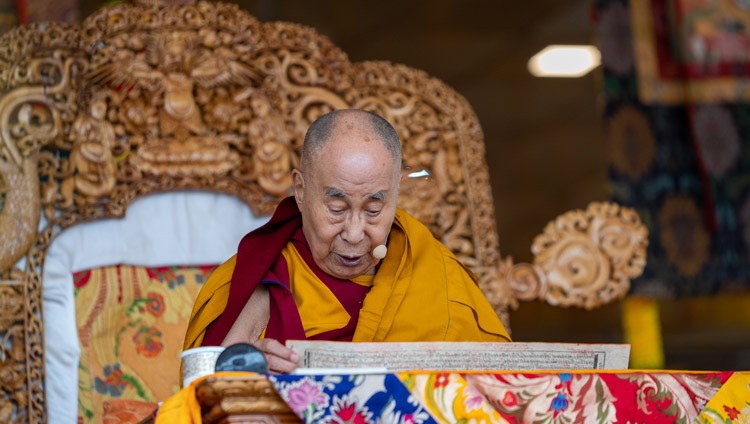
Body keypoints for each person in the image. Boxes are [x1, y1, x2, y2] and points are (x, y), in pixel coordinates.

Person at [183, 109, 510, 373]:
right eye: (337, 209)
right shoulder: (257, 278)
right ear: (300, 191)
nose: (354, 234)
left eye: (373, 210)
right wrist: (243, 376)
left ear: (396, 194)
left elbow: (497, 398)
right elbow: (199, 401)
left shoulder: (437, 277)